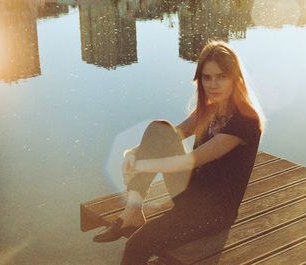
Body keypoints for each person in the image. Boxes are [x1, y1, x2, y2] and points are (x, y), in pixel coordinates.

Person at [93, 40, 263, 265]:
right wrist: (131, 153)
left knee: (136, 246)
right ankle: (133, 210)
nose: (213, 84)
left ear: (235, 78)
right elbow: (172, 134)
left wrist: (141, 166)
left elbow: (189, 161)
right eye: (206, 77)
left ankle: (135, 219)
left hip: (213, 214)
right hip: (191, 192)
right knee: (159, 128)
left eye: (221, 76)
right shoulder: (210, 108)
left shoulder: (246, 121)